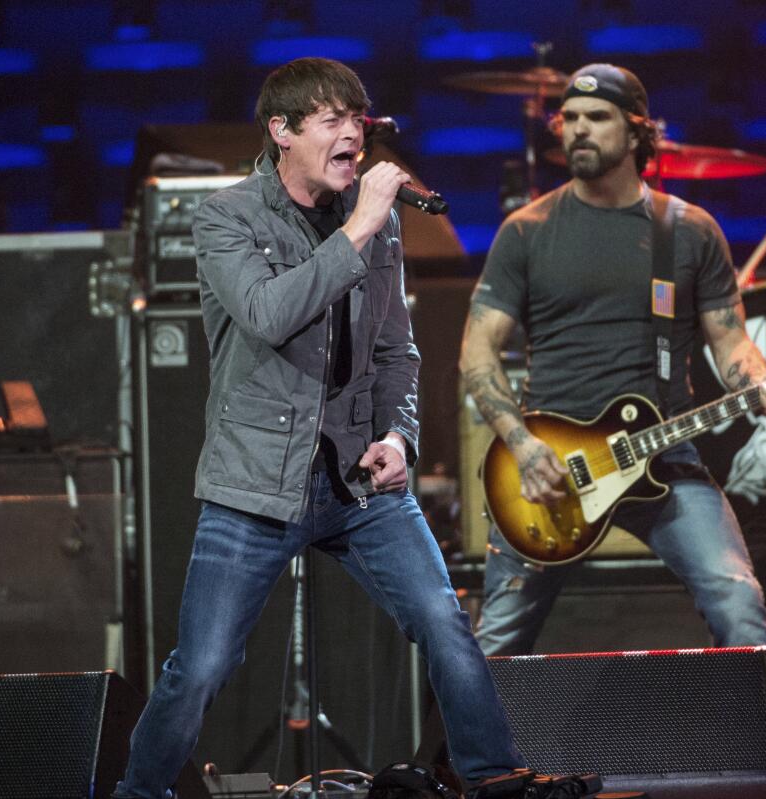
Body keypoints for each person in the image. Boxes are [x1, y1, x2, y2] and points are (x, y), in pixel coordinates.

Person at [113, 57, 524, 798]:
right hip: (255, 484)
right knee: (201, 664)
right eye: (333, 121)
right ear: (282, 131)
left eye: (358, 121)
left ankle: (494, 778)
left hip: (354, 482)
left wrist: (398, 439)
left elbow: (399, 350)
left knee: (444, 619)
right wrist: (362, 226)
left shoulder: (379, 225)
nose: (353, 136)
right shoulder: (227, 216)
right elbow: (270, 313)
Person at [458, 63, 766, 787]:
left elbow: (730, 344)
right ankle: (470, 778)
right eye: (569, 118)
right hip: (551, 469)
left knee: (738, 599)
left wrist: (760, 379)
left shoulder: (687, 231)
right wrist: (521, 445)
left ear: (637, 131)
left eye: (596, 118)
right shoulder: (526, 231)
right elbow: (476, 351)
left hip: (664, 456)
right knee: (495, 638)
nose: (577, 129)